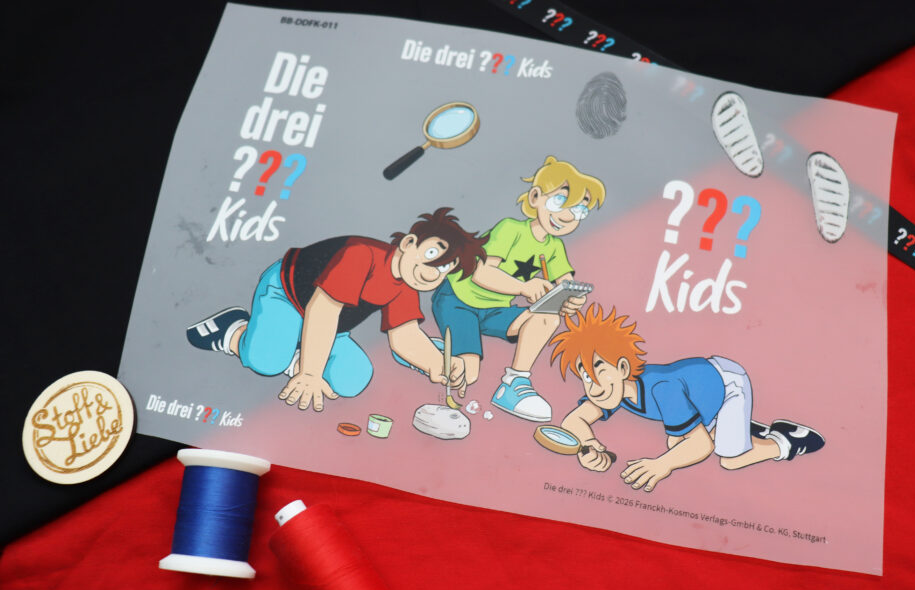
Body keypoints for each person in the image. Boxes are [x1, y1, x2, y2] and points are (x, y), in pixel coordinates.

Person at [186, 207, 488, 412]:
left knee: (353, 380)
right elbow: (323, 311)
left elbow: (405, 336)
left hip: (333, 328)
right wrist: (310, 373)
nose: (433, 272)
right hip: (286, 297)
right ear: (409, 243)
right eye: (432, 256)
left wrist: (438, 364)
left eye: (445, 269)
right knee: (266, 362)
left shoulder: (406, 286)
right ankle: (235, 330)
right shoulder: (361, 255)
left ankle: (297, 350)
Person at [550, 304, 826, 491]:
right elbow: (574, 421)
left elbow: (701, 446)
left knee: (730, 459)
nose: (593, 386)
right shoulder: (614, 389)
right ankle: (738, 428)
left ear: (622, 368)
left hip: (727, 384)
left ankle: (786, 440)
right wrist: (589, 446)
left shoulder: (661, 390)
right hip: (699, 397)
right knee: (677, 441)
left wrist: (662, 465)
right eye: (585, 376)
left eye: (598, 372)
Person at [431, 156, 605, 422]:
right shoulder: (510, 229)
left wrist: (571, 299)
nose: (567, 216)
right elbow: (481, 272)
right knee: (469, 373)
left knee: (547, 316)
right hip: (458, 300)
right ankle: (426, 350)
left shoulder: (555, 247)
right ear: (535, 197)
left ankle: (514, 384)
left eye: (580, 210)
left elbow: (565, 282)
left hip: (494, 310)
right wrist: (524, 287)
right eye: (560, 201)